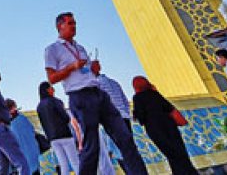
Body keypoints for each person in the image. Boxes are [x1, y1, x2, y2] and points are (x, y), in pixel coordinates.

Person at [44, 12, 148, 175]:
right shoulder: (52, 49)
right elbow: (52, 78)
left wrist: (92, 69)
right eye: (70, 23)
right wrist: (72, 67)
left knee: (125, 137)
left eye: (75, 23)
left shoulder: (80, 48)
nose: (74, 26)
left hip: (98, 93)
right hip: (80, 96)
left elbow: (86, 72)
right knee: (92, 145)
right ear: (60, 26)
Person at [131, 76, 198, 175]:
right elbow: (168, 107)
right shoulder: (154, 93)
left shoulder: (138, 98)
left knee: (170, 154)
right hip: (169, 125)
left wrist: (135, 114)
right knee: (180, 151)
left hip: (155, 129)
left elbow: (142, 117)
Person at [37, 82, 79, 175]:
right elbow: (66, 118)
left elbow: (43, 124)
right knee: (75, 162)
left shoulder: (39, 107)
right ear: (47, 90)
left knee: (63, 164)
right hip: (65, 135)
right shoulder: (56, 101)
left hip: (53, 139)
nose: (54, 90)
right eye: (52, 88)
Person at [6, 99, 42, 175]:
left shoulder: (7, 126)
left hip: (22, 161)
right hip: (34, 156)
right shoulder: (22, 118)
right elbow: (32, 131)